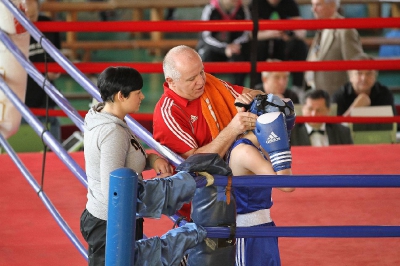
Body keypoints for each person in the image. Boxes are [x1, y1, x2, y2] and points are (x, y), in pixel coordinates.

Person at [80, 66, 174, 265]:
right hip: (111, 224)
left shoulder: (105, 117)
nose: (142, 97)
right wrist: (161, 193)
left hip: (111, 219)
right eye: (137, 93)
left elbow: (127, 157)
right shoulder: (112, 132)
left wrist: (152, 159)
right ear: (121, 96)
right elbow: (113, 189)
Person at [227, 94, 295, 266]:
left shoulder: (257, 147)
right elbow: (287, 186)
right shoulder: (245, 151)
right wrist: (279, 147)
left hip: (264, 227)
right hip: (248, 232)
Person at [304, 0, 364, 97]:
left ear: (332, 5)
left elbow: (356, 66)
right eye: (312, 5)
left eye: (318, 5)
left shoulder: (345, 30)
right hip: (317, 95)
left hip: (336, 97)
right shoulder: (322, 28)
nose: (313, 9)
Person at [24, 0, 62, 141]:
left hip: (45, 98)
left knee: (54, 151)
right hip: (20, 100)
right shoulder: (9, 31)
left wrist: (54, 71)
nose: (30, 21)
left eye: (33, 16)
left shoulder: (48, 25)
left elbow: (57, 57)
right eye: (26, 16)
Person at [250, 0, 308, 88]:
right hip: (264, 47)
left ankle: (297, 87)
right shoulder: (256, 4)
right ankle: (257, 86)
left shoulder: (290, 3)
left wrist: (290, 33)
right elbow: (250, 34)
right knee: (256, 46)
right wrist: (270, 33)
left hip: (284, 47)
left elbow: (302, 32)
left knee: (300, 46)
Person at [196, 0, 251, 86]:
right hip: (214, 49)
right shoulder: (210, 8)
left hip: (234, 49)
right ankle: (207, 91)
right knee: (207, 56)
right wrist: (224, 48)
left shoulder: (243, 9)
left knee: (242, 57)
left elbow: (246, 33)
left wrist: (234, 46)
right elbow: (206, 37)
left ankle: (239, 93)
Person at [332, 54, 397, 116]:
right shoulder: (340, 96)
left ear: (375, 76)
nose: (364, 78)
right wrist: (355, 108)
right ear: (350, 76)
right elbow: (335, 127)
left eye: (369, 73)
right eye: (359, 73)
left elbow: (394, 125)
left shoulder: (384, 94)